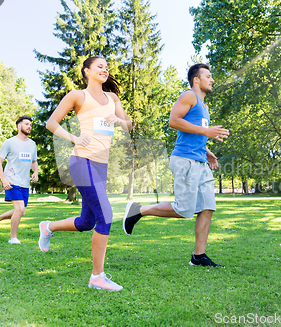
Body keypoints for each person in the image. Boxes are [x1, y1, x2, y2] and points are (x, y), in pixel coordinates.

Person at [39, 56, 132, 291]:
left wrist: (118, 119)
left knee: (87, 221)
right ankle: (97, 277)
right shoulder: (77, 96)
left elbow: (128, 124)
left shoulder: (112, 98)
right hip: (81, 161)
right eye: (99, 66)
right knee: (106, 216)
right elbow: (52, 123)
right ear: (87, 71)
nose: (104, 70)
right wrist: (74, 138)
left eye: (106, 67)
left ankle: (48, 227)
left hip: (101, 164)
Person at [122, 63, 229, 267]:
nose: (212, 79)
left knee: (207, 207)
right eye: (208, 76)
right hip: (184, 160)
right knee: (185, 210)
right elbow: (174, 121)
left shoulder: (205, 108)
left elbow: (192, 133)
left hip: (199, 160)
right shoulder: (189, 96)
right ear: (196, 79)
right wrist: (206, 132)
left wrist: (207, 152)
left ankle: (199, 256)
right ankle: (139, 210)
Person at [0, 116, 38, 244]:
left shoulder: (32, 144)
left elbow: (34, 161)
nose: (29, 127)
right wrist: (4, 180)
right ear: (19, 126)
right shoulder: (9, 142)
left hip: (25, 182)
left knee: (22, 211)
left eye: (30, 125)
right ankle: (13, 238)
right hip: (12, 180)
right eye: (26, 124)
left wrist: (36, 172)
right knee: (20, 209)